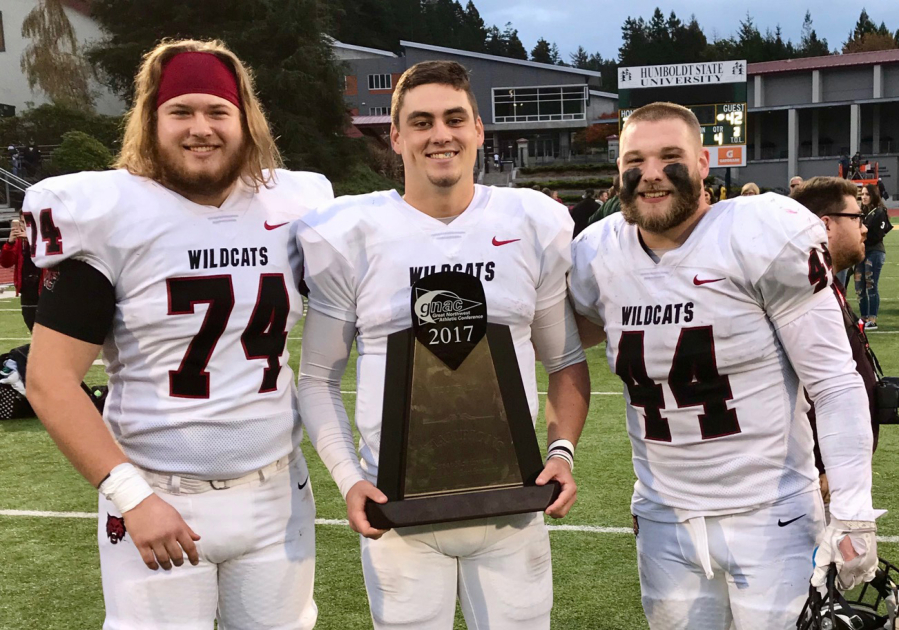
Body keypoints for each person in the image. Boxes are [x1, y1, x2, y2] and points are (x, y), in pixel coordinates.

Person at [23, 39, 332, 629]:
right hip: (158, 494)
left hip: (277, 494)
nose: (201, 129)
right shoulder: (108, 213)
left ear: (245, 120)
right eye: (181, 112)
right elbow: (48, 381)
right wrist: (132, 497)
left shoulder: (295, 205)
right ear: (151, 119)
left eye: (218, 112)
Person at [296, 60, 590, 630]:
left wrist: (561, 454)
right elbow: (317, 378)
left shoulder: (531, 221)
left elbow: (566, 361)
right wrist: (348, 477)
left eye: (455, 118)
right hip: (397, 505)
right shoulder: (350, 233)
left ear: (479, 129)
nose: (441, 134)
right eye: (422, 121)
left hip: (510, 501)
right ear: (396, 136)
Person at [569, 102, 876, 630]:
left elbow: (833, 383)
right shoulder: (597, 256)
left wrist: (851, 509)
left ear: (704, 162)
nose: (652, 174)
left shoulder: (757, 232)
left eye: (671, 156)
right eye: (634, 160)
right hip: (664, 519)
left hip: (771, 514)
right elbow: (556, 349)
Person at [790, 176, 881, 515]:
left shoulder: (827, 286)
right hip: (816, 482)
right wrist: (824, 464)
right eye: (856, 218)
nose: (864, 228)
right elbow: (811, 387)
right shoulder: (805, 297)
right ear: (826, 224)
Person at [0, 211, 45, 331]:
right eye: (22, 222)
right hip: (27, 292)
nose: (25, 225)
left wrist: (33, 240)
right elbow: (6, 263)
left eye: (28, 222)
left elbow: (48, 258)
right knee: (32, 328)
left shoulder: (44, 239)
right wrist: (10, 242)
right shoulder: (19, 242)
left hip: (46, 291)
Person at [856, 183, 892, 330]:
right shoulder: (862, 212)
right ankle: (864, 317)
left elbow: (877, 235)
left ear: (873, 196)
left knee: (871, 284)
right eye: (862, 194)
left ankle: (872, 318)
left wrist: (861, 237)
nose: (864, 197)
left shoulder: (879, 212)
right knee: (859, 287)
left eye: (867, 194)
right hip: (861, 252)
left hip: (874, 251)